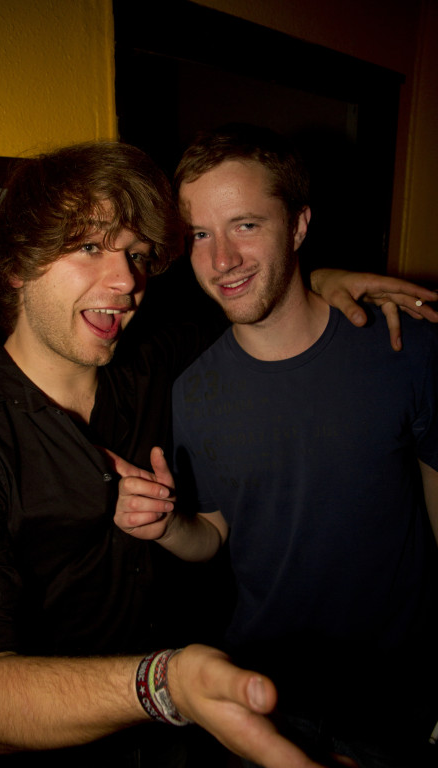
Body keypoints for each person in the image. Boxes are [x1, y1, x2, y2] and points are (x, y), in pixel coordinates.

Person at [0, 139, 436, 768]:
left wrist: (324, 280)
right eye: (89, 247)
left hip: (190, 742)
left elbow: (259, 305)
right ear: (15, 264)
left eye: (136, 254)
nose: (127, 282)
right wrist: (165, 685)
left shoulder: (150, 364)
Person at [113, 124, 438, 768]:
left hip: (393, 692)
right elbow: (214, 532)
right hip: (265, 690)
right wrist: (166, 526)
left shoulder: (403, 346)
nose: (221, 260)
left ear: (298, 226)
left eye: (246, 225)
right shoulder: (192, 389)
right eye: (199, 235)